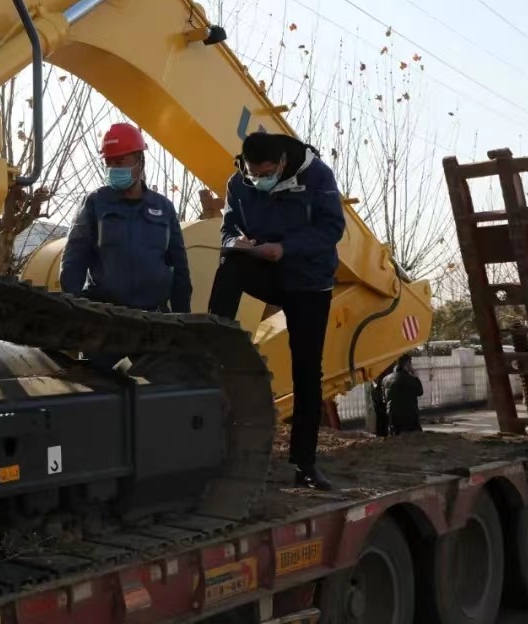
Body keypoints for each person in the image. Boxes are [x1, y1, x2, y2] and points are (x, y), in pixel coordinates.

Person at [207, 131, 346, 491]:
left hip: (309, 281)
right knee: (231, 265)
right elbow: (227, 229)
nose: (259, 180)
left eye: (266, 174)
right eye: (254, 174)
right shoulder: (238, 183)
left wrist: (286, 248)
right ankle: (213, 339)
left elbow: (332, 229)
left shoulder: (317, 176)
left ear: (282, 163)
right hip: (266, 269)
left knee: (307, 372)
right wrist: (234, 242)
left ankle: (305, 463)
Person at [60, 121, 192, 324]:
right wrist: (76, 312)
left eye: (120, 162)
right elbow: (73, 261)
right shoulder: (95, 204)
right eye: (109, 163)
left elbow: (180, 268)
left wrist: (183, 321)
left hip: (154, 320)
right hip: (104, 318)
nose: (113, 169)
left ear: (140, 161)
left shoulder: (164, 208)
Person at [383, 354, 424, 435]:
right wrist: (416, 377)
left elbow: (384, 398)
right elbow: (420, 392)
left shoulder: (386, 379)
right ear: (408, 363)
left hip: (393, 418)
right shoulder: (410, 379)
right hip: (410, 418)